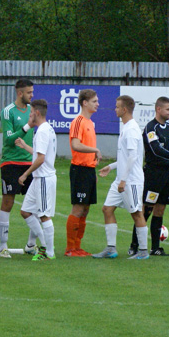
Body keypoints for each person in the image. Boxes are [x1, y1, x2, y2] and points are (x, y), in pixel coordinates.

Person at [128, 97, 169, 256]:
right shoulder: (150, 128)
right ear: (158, 109)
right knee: (146, 210)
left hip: (167, 175)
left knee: (160, 210)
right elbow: (156, 150)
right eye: (168, 109)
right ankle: (134, 245)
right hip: (154, 175)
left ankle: (155, 248)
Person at [94, 95, 148, 260]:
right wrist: (111, 167)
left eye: (117, 107)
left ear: (124, 110)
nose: (115, 109)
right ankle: (111, 249)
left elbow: (133, 157)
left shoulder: (131, 130)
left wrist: (124, 179)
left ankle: (143, 251)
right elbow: (126, 157)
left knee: (136, 213)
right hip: (121, 179)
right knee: (107, 209)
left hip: (131, 181)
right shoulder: (126, 127)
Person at [0, 79, 37, 258]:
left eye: (32, 92)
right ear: (20, 93)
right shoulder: (8, 111)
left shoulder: (32, 110)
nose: (32, 95)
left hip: (30, 163)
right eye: (29, 92)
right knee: (8, 202)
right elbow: (8, 139)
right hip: (11, 163)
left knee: (34, 205)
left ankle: (31, 245)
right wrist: (27, 126)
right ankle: (3, 246)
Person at [16, 99, 56, 261]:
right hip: (39, 178)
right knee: (25, 211)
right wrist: (25, 146)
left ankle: (49, 252)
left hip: (44, 178)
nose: (30, 115)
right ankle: (42, 245)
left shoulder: (42, 131)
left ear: (37, 113)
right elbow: (39, 153)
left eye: (31, 112)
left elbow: (40, 159)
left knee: (44, 215)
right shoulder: (46, 129)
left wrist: (25, 174)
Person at [66, 89, 102, 257]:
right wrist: (95, 150)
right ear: (85, 103)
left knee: (86, 209)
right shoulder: (78, 121)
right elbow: (75, 144)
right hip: (79, 169)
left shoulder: (90, 123)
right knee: (78, 208)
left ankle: (78, 246)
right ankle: (70, 248)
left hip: (88, 170)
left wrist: (92, 167)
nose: (97, 104)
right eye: (94, 101)